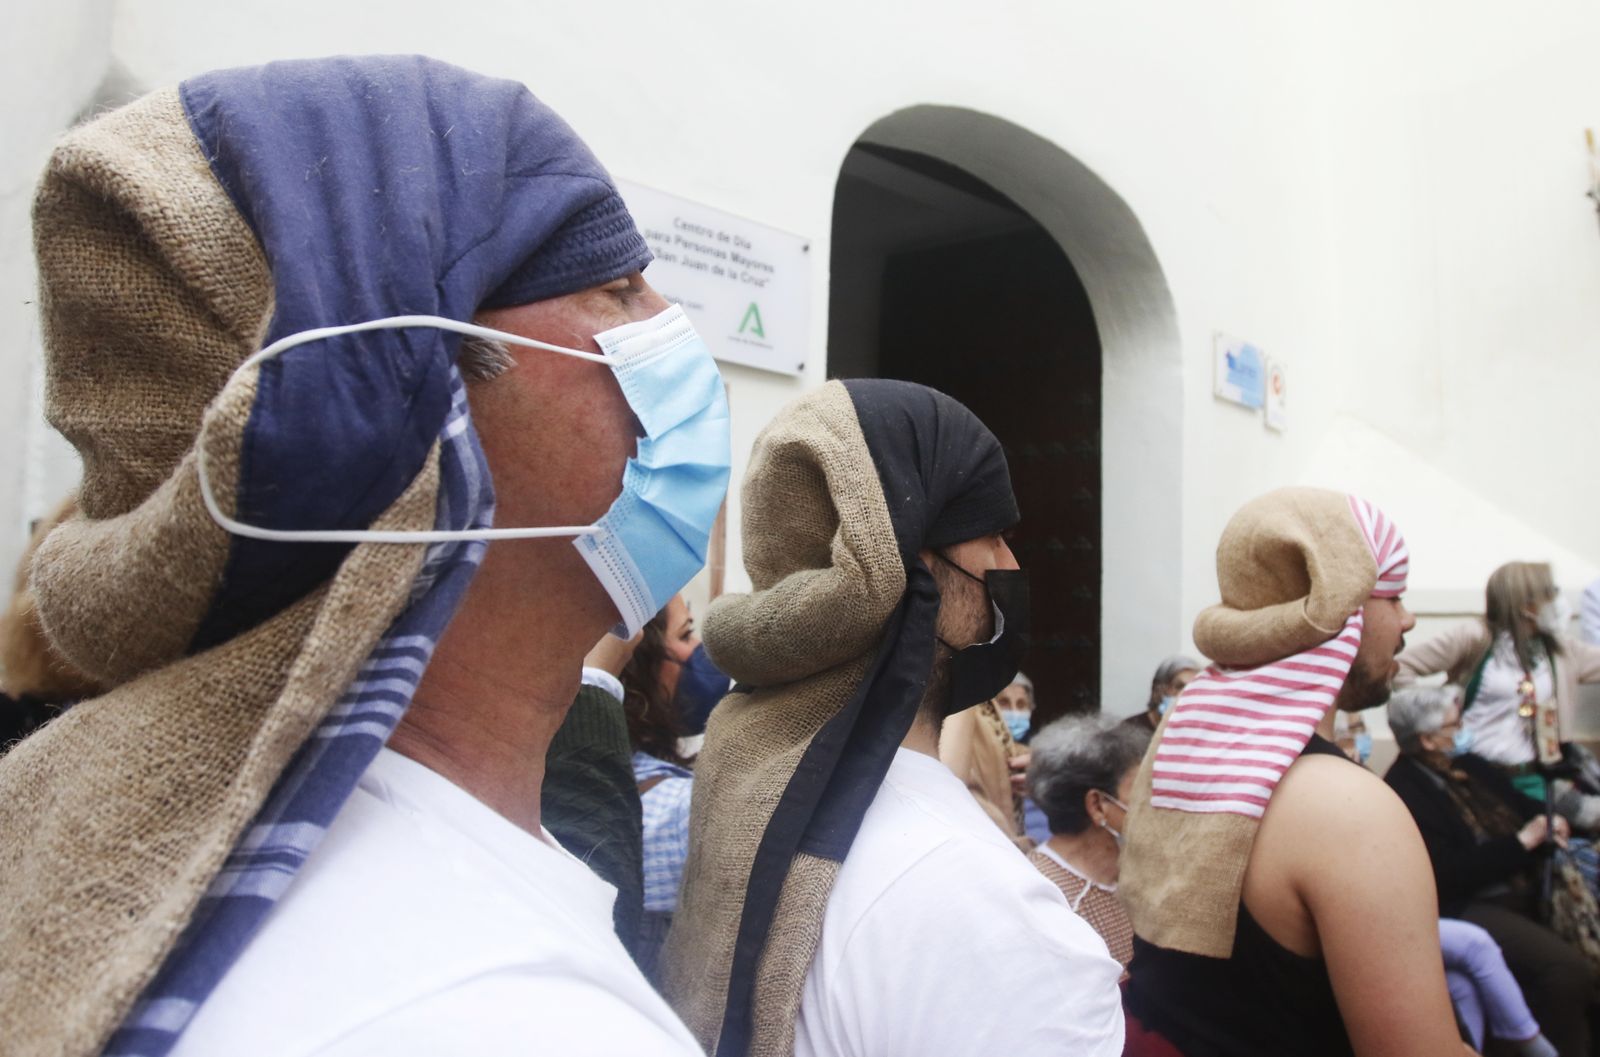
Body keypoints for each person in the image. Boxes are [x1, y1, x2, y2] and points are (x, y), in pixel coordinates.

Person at [0, 57, 724, 1057]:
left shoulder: (113, 839)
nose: (672, 329)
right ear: (418, 379)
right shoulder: (482, 1006)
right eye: (617, 285)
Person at [663, 381, 1124, 1057]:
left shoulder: (741, 788)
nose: (1012, 566)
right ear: (910, 565)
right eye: (995, 536)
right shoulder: (984, 909)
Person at [1119, 487, 1463, 1057]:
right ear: (1340, 605)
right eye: (1393, 594)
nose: (1407, 619)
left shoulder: (1183, 755)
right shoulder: (1346, 809)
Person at [1385, 685, 1589, 1057]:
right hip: (1468, 904)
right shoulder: (1402, 789)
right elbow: (1447, 873)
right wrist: (1520, 843)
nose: (1462, 730)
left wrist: (1549, 819)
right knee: (1565, 969)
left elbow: (1521, 803)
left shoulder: (1470, 765)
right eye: (1453, 725)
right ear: (1427, 739)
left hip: (1523, 883)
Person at [1394, 562, 1600, 800]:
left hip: (1533, 776)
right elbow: (1401, 667)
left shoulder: (1558, 648)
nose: (1557, 601)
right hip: (1474, 778)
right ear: (1525, 605)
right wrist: (1433, 718)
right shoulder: (1474, 637)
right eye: (1549, 593)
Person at [617, 592, 727, 981]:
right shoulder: (678, 812)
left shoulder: (604, 774)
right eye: (685, 634)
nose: (700, 649)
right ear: (636, 663)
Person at [1025, 715, 1149, 973]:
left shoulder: (1137, 872)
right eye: (1141, 792)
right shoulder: (1048, 895)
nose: (1152, 804)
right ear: (1097, 805)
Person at [940, 681, 1031, 848]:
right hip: (986, 842)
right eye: (1005, 703)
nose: (1014, 712)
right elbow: (948, 782)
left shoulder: (984, 699)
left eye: (1021, 705)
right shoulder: (964, 696)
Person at [1123, 654, 1201, 733]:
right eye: (1179, 687)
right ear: (1157, 689)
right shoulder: (1128, 731)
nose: (1185, 695)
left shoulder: (1186, 733)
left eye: (1192, 689)